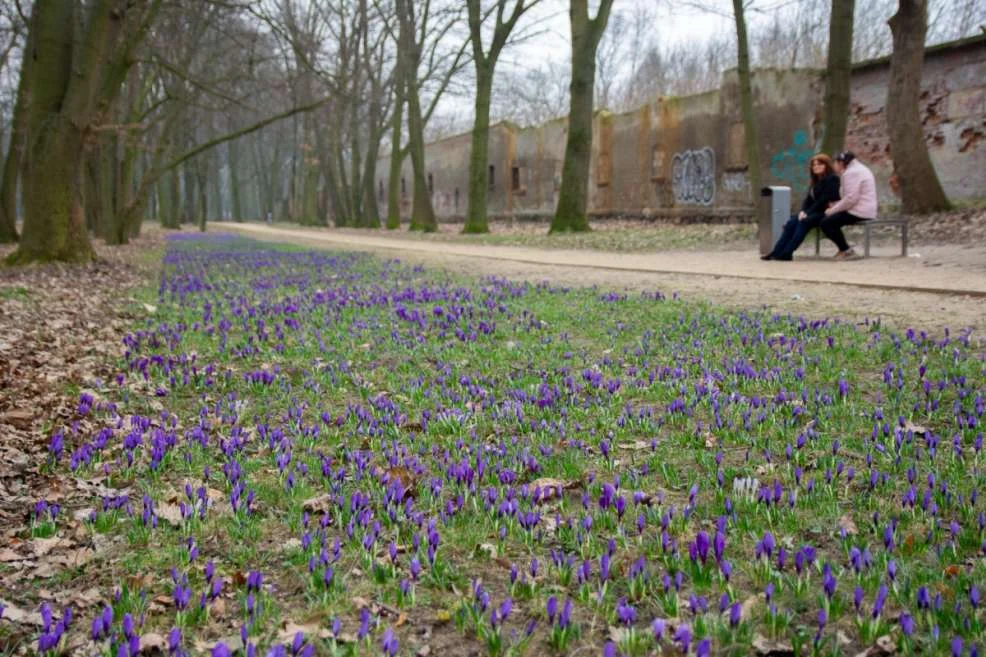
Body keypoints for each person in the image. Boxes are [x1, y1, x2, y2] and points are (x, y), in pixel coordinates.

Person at [761, 153, 840, 261]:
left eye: (820, 164)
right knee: (791, 222)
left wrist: (807, 213)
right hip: (814, 212)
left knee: (804, 222)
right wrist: (803, 211)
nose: (816, 167)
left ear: (826, 165)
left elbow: (823, 200)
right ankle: (776, 251)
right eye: (814, 165)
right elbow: (807, 200)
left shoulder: (833, 179)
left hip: (827, 212)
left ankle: (788, 252)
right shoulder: (815, 181)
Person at [821, 151, 877, 260]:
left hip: (859, 211)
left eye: (835, 162)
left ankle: (846, 250)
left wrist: (832, 210)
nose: (834, 165)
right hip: (865, 209)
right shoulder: (860, 169)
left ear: (841, 163)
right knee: (831, 221)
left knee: (826, 223)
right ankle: (844, 249)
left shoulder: (851, 173)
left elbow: (851, 199)